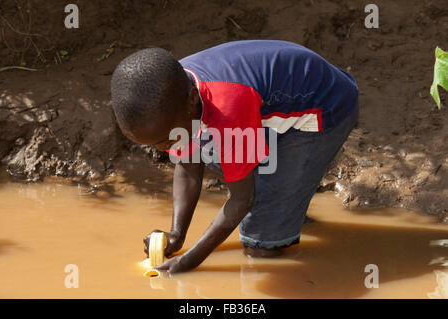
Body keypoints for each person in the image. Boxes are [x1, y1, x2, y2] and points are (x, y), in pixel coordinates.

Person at [110, 40, 359, 274]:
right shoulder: (173, 91)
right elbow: (187, 168)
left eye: (166, 140)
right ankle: (285, 207)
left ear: (192, 101)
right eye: (156, 144)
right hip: (267, 112)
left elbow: (242, 199)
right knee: (217, 155)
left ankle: (282, 213)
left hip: (322, 110)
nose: (163, 148)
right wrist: (177, 233)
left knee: (259, 247)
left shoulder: (226, 107)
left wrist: (191, 259)